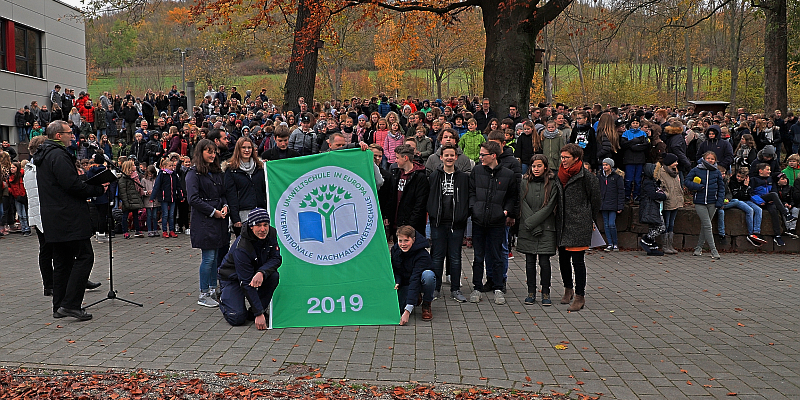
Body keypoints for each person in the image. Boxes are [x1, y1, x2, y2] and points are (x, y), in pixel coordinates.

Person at [33, 121, 108, 321]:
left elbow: (62, 183)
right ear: (58, 136)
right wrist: (96, 189)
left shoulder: (44, 154)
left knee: (63, 262)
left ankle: (59, 305)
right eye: (69, 133)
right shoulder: (57, 155)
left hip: (54, 217)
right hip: (68, 217)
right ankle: (71, 304)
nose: (72, 136)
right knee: (85, 256)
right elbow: (71, 185)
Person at [468, 141, 518, 305]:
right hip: (479, 220)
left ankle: (498, 287)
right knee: (478, 256)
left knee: (497, 256)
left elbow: (512, 196)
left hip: (497, 221)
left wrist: (505, 212)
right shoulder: (476, 171)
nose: (480, 157)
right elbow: (471, 192)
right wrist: (474, 207)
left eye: (483, 154)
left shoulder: (508, 174)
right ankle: (477, 287)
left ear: (493, 156)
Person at [217, 208, 280, 329]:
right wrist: (259, 314)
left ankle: (254, 310)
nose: (263, 229)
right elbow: (245, 282)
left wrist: (262, 272)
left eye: (265, 225)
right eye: (258, 225)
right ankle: (223, 295)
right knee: (237, 318)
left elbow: (276, 258)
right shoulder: (241, 247)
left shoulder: (272, 233)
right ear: (251, 226)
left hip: (255, 272)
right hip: (233, 278)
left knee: (273, 276)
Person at [186, 139, 230, 307]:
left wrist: (225, 206)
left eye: (214, 152)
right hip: (205, 221)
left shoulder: (217, 172)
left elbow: (223, 193)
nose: (212, 155)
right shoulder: (193, 173)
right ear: (201, 152)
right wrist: (213, 211)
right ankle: (203, 293)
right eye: (208, 152)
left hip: (219, 220)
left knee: (216, 256)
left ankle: (213, 289)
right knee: (209, 257)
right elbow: (193, 199)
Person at [555, 143, 600, 311]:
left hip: (579, 223)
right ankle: (568, 289)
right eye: (562, 157)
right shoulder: (559, 175)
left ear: (576, 158)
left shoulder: (587, 177)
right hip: (561, 222)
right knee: (563, 259)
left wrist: (589, 218)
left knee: (578, 261)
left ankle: (580, 296)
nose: (563, 160)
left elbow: (595, 201)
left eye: (566, 158)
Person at [427, 144, 470, 303]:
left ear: (456, 157)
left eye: (452, 155)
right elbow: (429, 197)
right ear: (441, 157)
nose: (449, 158)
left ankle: (455, 289)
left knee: (455, 257)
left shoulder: (464, 177)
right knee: (437, 257)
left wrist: (463, 214)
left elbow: (467, 197)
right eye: (447, 155)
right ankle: (435, 288)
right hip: (438, 222)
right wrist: (432, 212)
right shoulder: (434, 176)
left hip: (456, 223)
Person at [517, 154, 559, 306]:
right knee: (529, 262)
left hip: (546, 227)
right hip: (528, 227)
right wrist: (531, 224)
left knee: (544, 262)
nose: (536, 169)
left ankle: (546, 292)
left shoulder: (553, 183)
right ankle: (531, 292)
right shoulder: (524, 182)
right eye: (534, 166)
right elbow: (523, 203)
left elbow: (549, 206)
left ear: (545, 167)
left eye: (539, 166)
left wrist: (535, 223)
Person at [685, 151, 726, 259]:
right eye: (708, 158)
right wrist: (697, 187)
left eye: (712, 159)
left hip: (712, 202)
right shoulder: (696, 169)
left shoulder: (717, 172)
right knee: (708, 225)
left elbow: (721, 188)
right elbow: (687, 181)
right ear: (704, 158)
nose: (710, 160)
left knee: (705, 226)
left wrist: (719, 201)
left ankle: (698, 248)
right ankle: (714, 250)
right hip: (700, 202)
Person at [392, 225, 435, 325]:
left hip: (419, 281)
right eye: (400, 241)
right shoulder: (395, 250)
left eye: (406, 240)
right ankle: (416, 297)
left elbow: (415, 280)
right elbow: (395, 270)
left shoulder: (422, 255)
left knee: (428, 276)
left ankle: (426, 303)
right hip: (405, 282)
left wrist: (408, 311)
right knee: (398, 308)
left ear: (413, 239)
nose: (403, 244)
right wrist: (397, 281)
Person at [225, 137, 266, 236]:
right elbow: (231, 195)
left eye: (249, 147)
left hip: (260, 213)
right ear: (238, 149)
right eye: (243, 147)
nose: (247, 150)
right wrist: (235, 218)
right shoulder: (231, 170)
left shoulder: (260, 167)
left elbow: (265, 191)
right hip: (242, 216)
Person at [387, 144, 429, 237]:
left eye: (397, 158)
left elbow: (420, 204)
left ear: (405, 158)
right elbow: (391, 197)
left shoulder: (420, 177)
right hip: (396, 223)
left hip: (412, 227)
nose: (395, 160)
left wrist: (411, 224)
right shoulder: (396, 173)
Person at [638, 163, 667, 256]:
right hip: (650, 208)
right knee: (661, 227)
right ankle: (646, 239)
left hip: (655, 208)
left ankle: (652, 247)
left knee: (653, 227)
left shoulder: (653, 181)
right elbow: (653, 195)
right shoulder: (648, 182)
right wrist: (664, 196)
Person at [150, 157, 184, 238]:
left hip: (172, 197)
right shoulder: (162, 174)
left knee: (172, 215)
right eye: (170, 166)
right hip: (164, 197)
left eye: (172, 166)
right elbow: (157, 186)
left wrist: (181, 196)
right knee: (165, 214)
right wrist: (152, 197)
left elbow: (178, 186)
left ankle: (172, 230)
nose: (172, 167)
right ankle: (165, 231)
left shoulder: (174, 174)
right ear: (164, 167)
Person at [658, 153, 684, 254]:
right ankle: (665, 245)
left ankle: (670, 244)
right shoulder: (662, 172)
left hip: (676, 200)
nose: (676, 164)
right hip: (668, 201)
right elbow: (661, 186)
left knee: (672, 224)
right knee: (666, 223)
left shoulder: (675, 172)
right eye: (674, 162)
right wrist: (667, 195)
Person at [597, 158, 624, 251]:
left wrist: (620, 206)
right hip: (604, 204)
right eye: (603, 165)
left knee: (611, 224)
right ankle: (610, 243)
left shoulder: (617, 177)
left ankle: (615, 243)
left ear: (610, 166)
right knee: (606, 225)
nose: (604, 166)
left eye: (606, 165)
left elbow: (621, 192)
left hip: (613, 204)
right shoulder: (600, 176)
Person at [118, 160, 146, 239]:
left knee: (136, 215)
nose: (135, 166)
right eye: (133, 165)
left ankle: (138, 230)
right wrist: (126, 202)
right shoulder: (123, 179)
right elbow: (123, 192)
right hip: (128, 200)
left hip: (134, 199)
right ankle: (125, 231)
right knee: (125, 216)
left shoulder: (135, 176)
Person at [141, 165, 160, 237]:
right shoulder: (144, 180)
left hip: (155, 200)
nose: (150, 175)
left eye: (151, 174)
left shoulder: (156, 179)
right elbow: (142, 190)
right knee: (149, 215)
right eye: (149, 174)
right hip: (148, 200)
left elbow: (158, 188)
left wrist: (155, 192)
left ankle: (155, 229)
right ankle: (149, 230)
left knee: (155, 215)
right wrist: (146, 192)